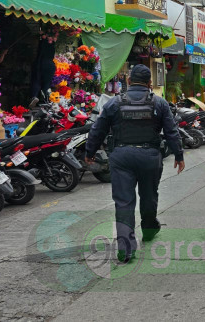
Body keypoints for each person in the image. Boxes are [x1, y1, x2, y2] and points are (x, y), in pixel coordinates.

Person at [85, 64, 185, 263]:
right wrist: (178, 155)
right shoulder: (160, 103)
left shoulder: (114, 103)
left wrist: (89, 152)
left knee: (124, 202)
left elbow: (98, 130)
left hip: (121, 156)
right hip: (150, 157)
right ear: (149, 83)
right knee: (149, 195)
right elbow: (171, 132)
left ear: (129, 81)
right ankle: (148, 229)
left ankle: (126, 248)